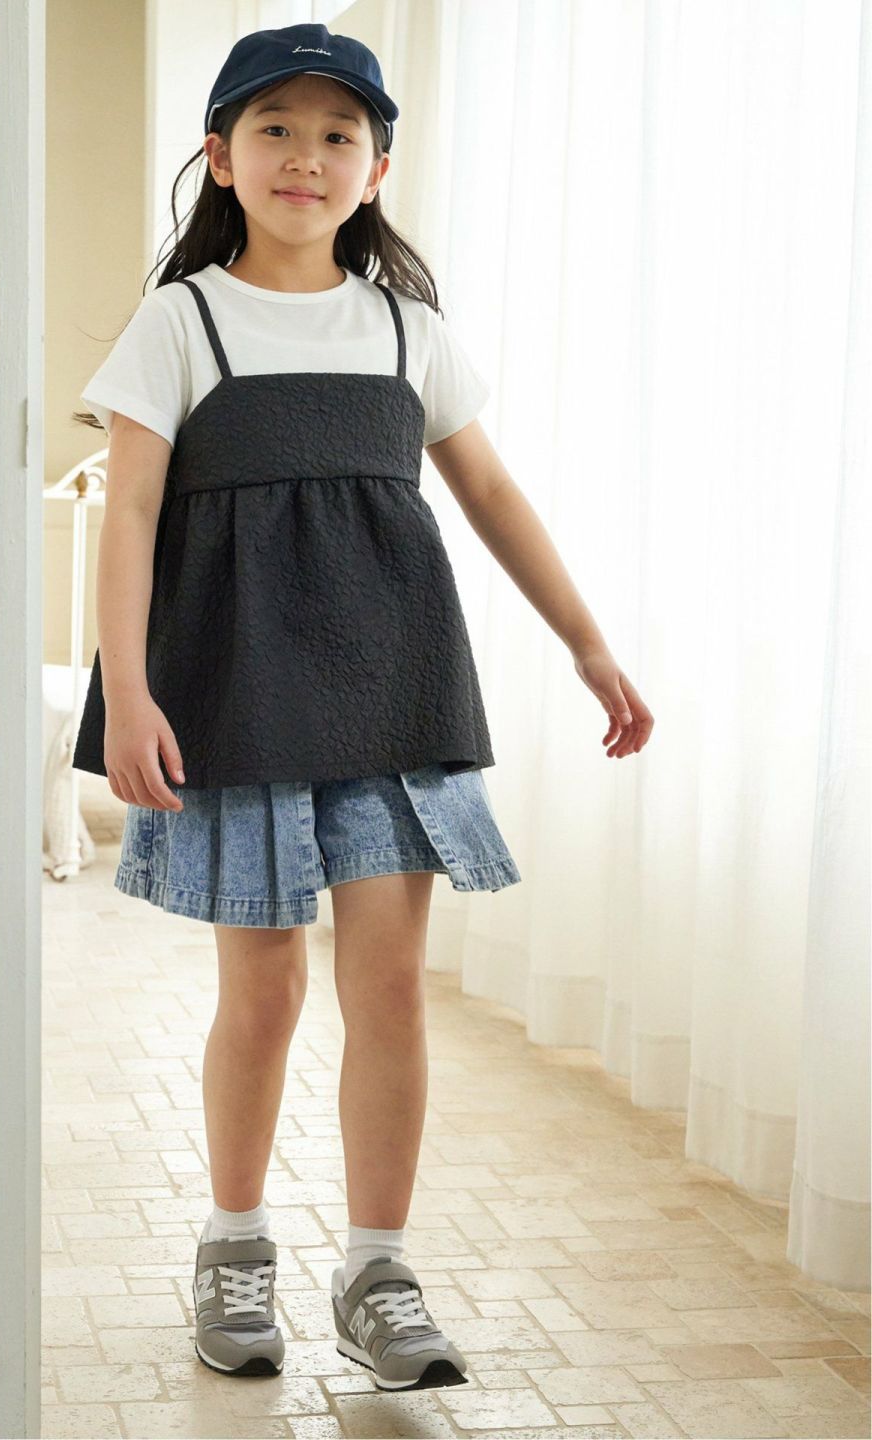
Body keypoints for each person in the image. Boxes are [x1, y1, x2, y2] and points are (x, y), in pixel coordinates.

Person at [71, 22, 654, 1393]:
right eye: (275, 128)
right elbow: (132, 512)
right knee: (264, 985)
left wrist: (588, 645)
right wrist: (131, 690)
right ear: (221, 157)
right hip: (236, 686)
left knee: (389, 981)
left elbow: (491, 493)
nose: (307, 156)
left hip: (393, 685)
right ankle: (234, 1248)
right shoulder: (182, 320)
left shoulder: (406, 329)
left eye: (340, 134)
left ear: (377, 168)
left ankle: (379, 1272)